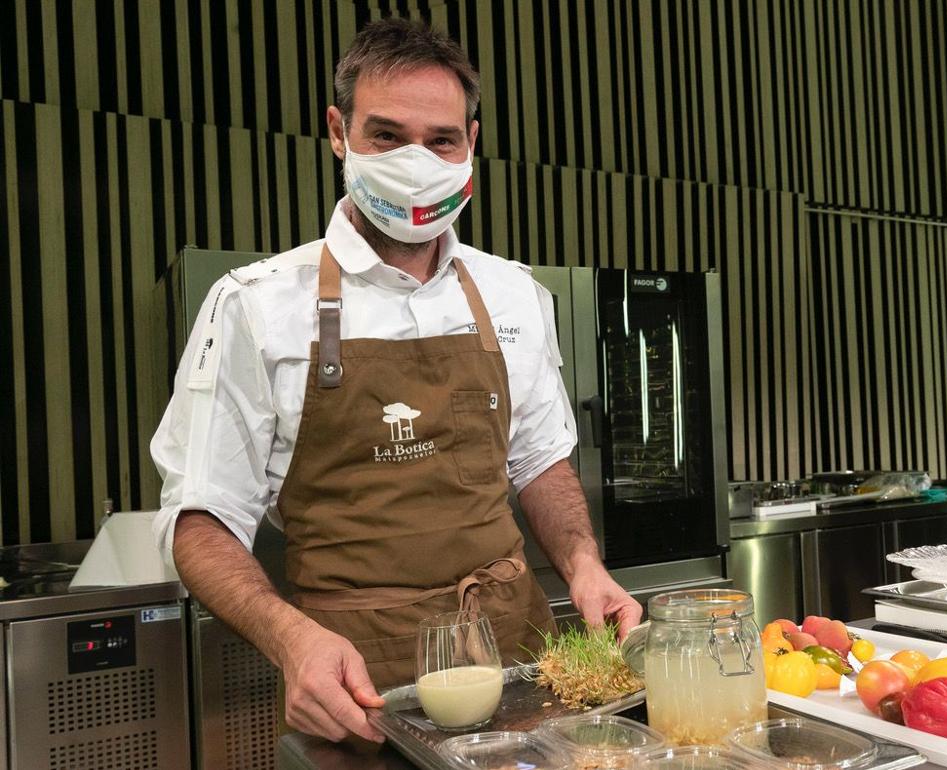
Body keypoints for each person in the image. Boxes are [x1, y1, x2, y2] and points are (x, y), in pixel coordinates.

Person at [150, 18, 641, 744]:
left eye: (441, 140)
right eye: (386, 135)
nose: (418, 159)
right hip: (360, 678)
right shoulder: (255, 304)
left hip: (522, 656)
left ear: (470, 143)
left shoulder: (513, 294)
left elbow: (539, 461)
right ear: (338, 132)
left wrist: (583, 564)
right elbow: (200, 517)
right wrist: (292, 641)